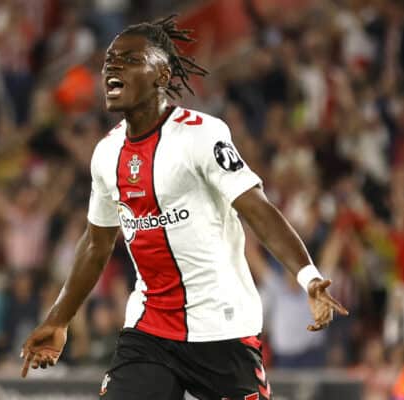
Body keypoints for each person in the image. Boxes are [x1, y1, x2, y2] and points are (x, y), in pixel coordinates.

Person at [20, 15, 348, 399]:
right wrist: (59, 319)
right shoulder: (106, 154)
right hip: (149, 331)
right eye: (110, 59)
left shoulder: (201, 135)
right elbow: (96, 244)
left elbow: (256, 208)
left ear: (161, 74)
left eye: (129, 59)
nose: (112, 66)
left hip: (222, 329)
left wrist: (308, 276)